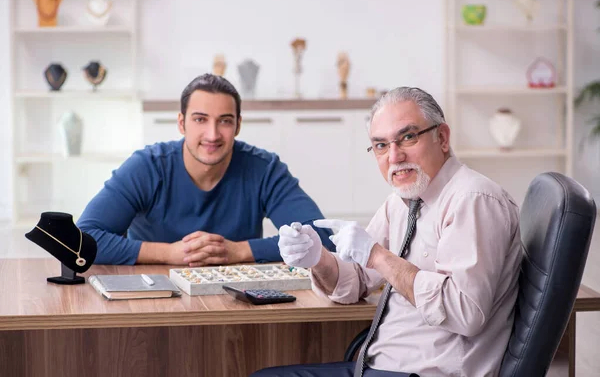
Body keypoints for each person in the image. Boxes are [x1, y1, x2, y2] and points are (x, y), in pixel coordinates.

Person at [253, 87, 523, 377]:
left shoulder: (473, 199)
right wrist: (317, 259)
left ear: (442, 137)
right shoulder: (401, 202)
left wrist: (377, 255)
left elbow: (465, 312)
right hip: (382, 366)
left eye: (408, 137)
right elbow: (356, 280)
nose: (394, 156)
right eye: (381, 145)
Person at [77, 73, 334, 266]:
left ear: (238, 125)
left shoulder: (264, 169)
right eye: (200, 119)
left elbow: (319, 235)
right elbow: (82, 238)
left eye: (224, 121)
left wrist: (240, 251)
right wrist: (169, 253)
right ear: (181, 123)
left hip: (237, 297)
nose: (212, 135)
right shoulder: (147, 167)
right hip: (153, 293)